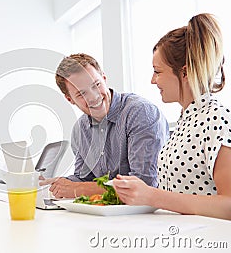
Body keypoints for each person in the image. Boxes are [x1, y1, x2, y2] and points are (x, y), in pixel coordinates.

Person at [113, 13, 231, 220]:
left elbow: (229, 205)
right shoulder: (188, 119)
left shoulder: (217, 119)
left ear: (184, 73)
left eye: (157, 71)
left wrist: (152, 196)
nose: (152, 80)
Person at [39, 53, 169, 198]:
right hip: (109, 215)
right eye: (82, 94)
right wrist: (57, 184)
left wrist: (78, 188)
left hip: (148, 213)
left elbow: (145, 183)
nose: (93, 97)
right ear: (70, 99)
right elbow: (84, 179)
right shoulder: (80, 129)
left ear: (104, 78)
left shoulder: (140, 112)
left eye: (96, 85)